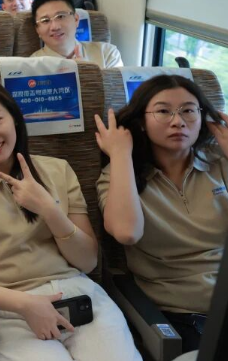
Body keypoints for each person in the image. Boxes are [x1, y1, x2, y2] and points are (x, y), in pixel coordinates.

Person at [0, 76, 141, 361]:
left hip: (80, 298)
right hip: (8, 309)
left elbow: (88, 262)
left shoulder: (58, 170)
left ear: (15, 119)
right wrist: (24, 304)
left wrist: (49, 209)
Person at [94, 75, 228, 353]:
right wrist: (120, 155)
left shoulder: (220, 163)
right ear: (141, 122)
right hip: (185, 314)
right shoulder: (121, 175)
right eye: (164, 111)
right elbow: (127, 233)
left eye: (188, 110)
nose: (178, 121)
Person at [30, 0, 123, 67]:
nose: (55, 27)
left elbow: (117, 84)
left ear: (76, 19)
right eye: (45, 20)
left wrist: (87, 74)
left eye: (61, 16)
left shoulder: (107, 53)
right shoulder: (31, 66)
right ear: (37, 30)